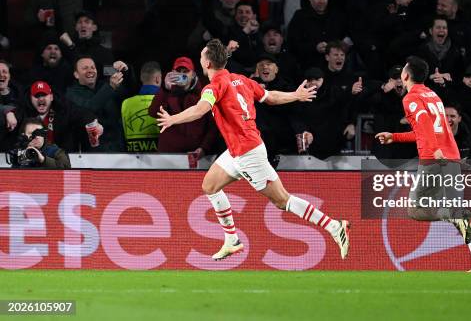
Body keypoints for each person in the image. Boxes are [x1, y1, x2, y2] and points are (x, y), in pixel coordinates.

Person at [156, 39, 350, 260]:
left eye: (202, 56)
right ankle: (231, 240)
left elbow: (200, 110)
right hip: (237, 150)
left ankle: (334, 226)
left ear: (207, 63)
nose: (200, 59)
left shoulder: (214, 86)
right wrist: (295, 96)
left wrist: (173, 119)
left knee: (282, 200)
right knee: (209, 185)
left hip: (248, 152)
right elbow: (271, 97)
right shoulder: (241, 80)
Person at [374, 56, 471, 272]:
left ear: (406, 75)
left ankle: (449, 213)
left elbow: (426, 127)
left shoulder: (410, 98)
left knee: (415, 210)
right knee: (457, 213)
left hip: (433, 158)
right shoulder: (432, 94)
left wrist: (435, 150)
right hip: (451, 157)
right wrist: (395, 137)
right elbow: (426, 130)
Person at [148, 56, 220, 156]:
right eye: (178, 71)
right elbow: (153, 112)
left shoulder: (204, 93)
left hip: (195, 154)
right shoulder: (166, 92)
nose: (182, 74)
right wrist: (165, 89)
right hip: (169, 154)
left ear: (193, 74)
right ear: (172, 73)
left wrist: (204, 148)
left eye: (185, 71)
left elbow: (213, 126)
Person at [121, 61, 162, 152]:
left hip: (133, 158)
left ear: (141, 78)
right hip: (161, 159)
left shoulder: (126, 103)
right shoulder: (164, 101)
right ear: (158, 79)